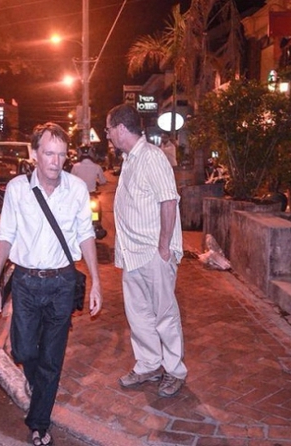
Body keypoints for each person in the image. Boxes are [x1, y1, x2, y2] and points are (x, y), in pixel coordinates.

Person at [0, 122, 103, 446]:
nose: (56, 161)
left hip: (62, 283)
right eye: (49, 153)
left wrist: (96, 281)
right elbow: (5, 236)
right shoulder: (17, 189)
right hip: (25, 282)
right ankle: (38, 384)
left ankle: (39, 423)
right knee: (24, 350)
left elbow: (86, 235)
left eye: (62, 155)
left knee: (52, 358)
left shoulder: (77, 189)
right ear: (35, 154)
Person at [105, 104, 187, 398]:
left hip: (153, 252)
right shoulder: (130, 159)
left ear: (122, 129)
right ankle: (149, 364)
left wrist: (164, 247)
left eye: (109, 129)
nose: (107, 135)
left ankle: (174, 369)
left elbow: (169, 201)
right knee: (138, 313)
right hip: (132, 253)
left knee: (164, 313)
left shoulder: (152, 158)